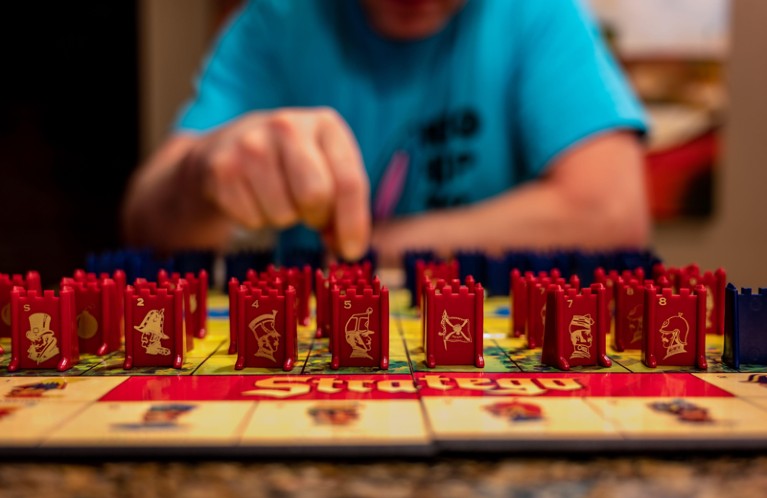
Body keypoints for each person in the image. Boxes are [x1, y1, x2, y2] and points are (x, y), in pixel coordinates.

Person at [122, 0, 650, 266]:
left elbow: (612, 211)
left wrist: (378, 246)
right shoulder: (276, 20)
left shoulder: (537, 13)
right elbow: (146, 222)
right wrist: (203, 175)